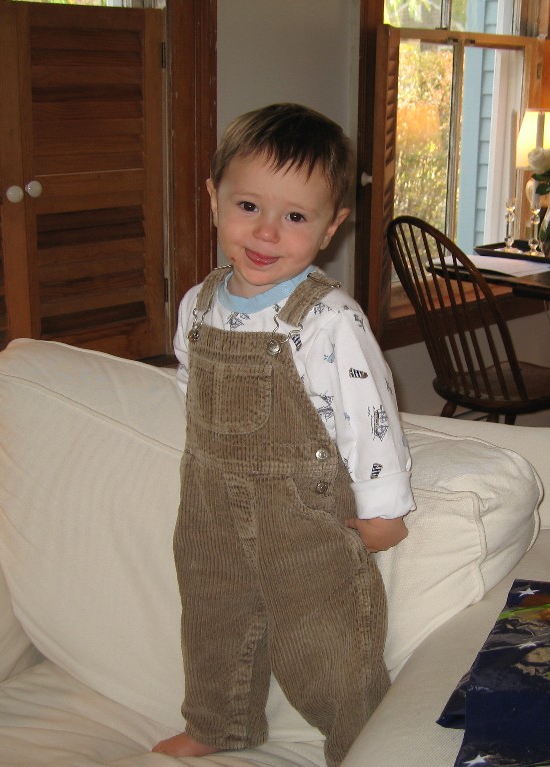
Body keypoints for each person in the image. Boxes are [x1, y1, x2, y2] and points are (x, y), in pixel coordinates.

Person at [152, 103, 414, 766]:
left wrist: (383, 508)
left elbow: (370, 413)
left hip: (301, 511)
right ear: (213, 199)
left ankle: (360, 744)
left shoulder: (327, 318)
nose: (267, 232)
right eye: (248, 206)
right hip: (209, 500)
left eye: (296, 217)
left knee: (323, 637)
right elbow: (190, 384)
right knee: (212, 615)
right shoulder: (199, 303)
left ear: (331, 226)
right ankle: (220, 721)